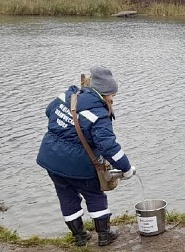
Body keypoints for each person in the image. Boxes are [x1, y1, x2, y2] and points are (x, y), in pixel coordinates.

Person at [36, 66, 136, 246]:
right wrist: (126, 168)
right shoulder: (99, 114)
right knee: (95, 195)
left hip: (51, 159)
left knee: (66, 196)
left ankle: (80, 236)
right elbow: (109, 147)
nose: (113, 99)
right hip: (79, 164)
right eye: (112, 95)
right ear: (103, 93)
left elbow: (48, 111)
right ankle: (105, 236)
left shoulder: (67, 97)